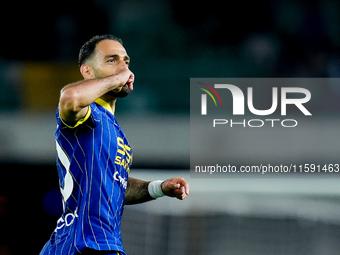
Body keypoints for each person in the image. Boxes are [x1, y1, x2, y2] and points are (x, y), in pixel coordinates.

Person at [40, 34, 189, 255]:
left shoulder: (114, 130)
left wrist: (158, 188)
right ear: (87, 71)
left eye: (126, 61)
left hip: (75, 245)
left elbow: (116, 186)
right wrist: (116, 78)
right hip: (88, 244)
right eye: (112, 60)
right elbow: (69, 97)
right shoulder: (88, 115)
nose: (123, 67)